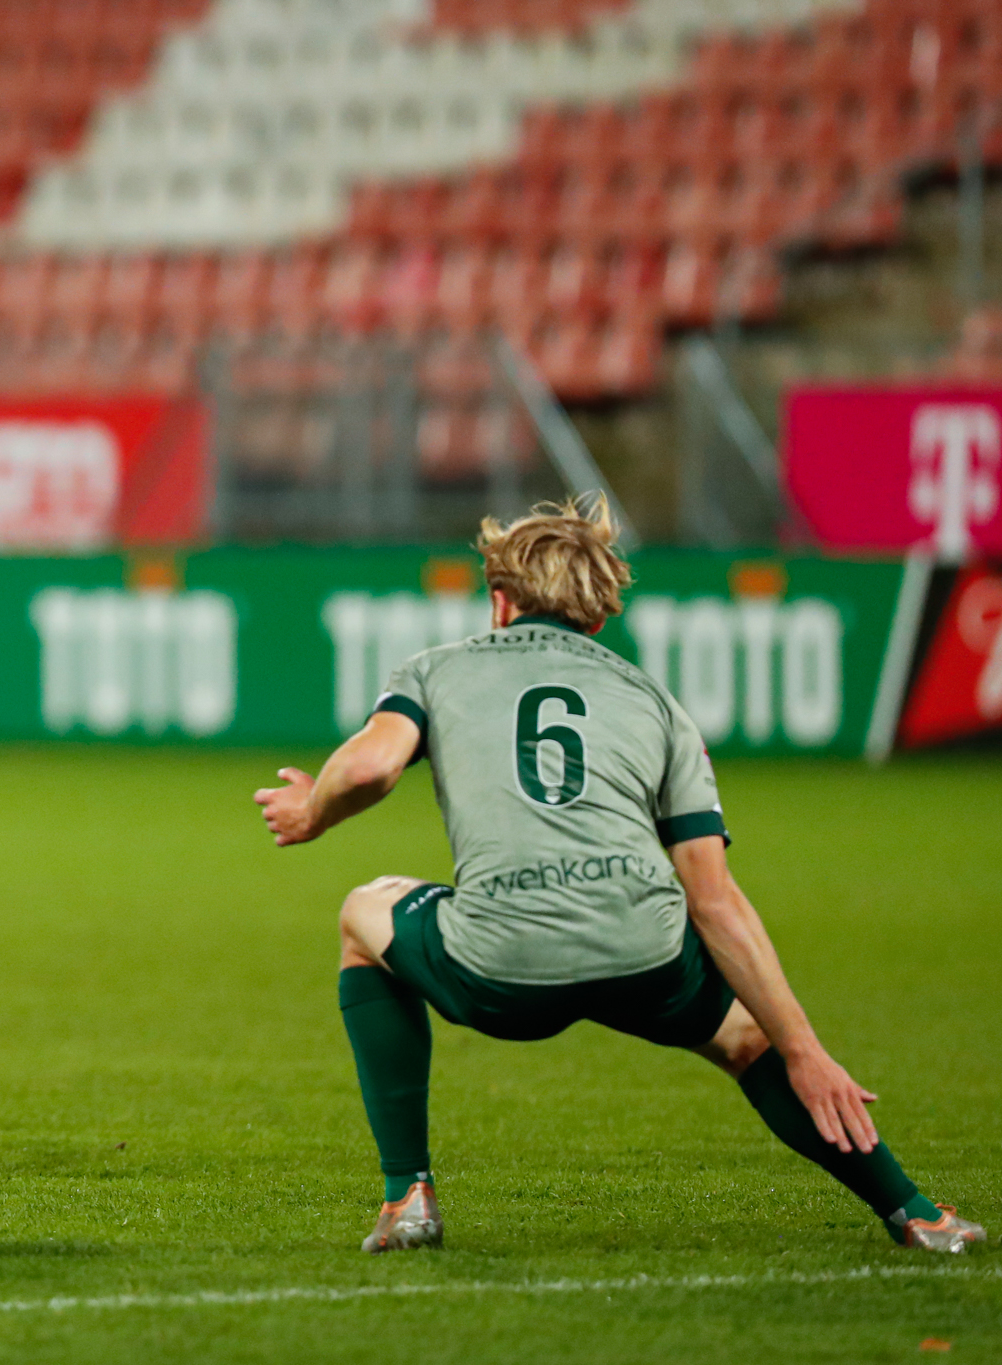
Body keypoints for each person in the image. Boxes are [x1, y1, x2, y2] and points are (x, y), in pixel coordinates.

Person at [253, 497, 984, 1255]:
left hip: (500, 962)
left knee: (363, 913)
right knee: (748, 1041)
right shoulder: (657, 704)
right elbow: (715, 898)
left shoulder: (436, 669)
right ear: (597, 617)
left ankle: (407, 1195)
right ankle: (917, 1213)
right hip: (645, 952)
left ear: (499, 600)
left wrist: (314, 812)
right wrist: (802, 1045)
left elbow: (372, 765)